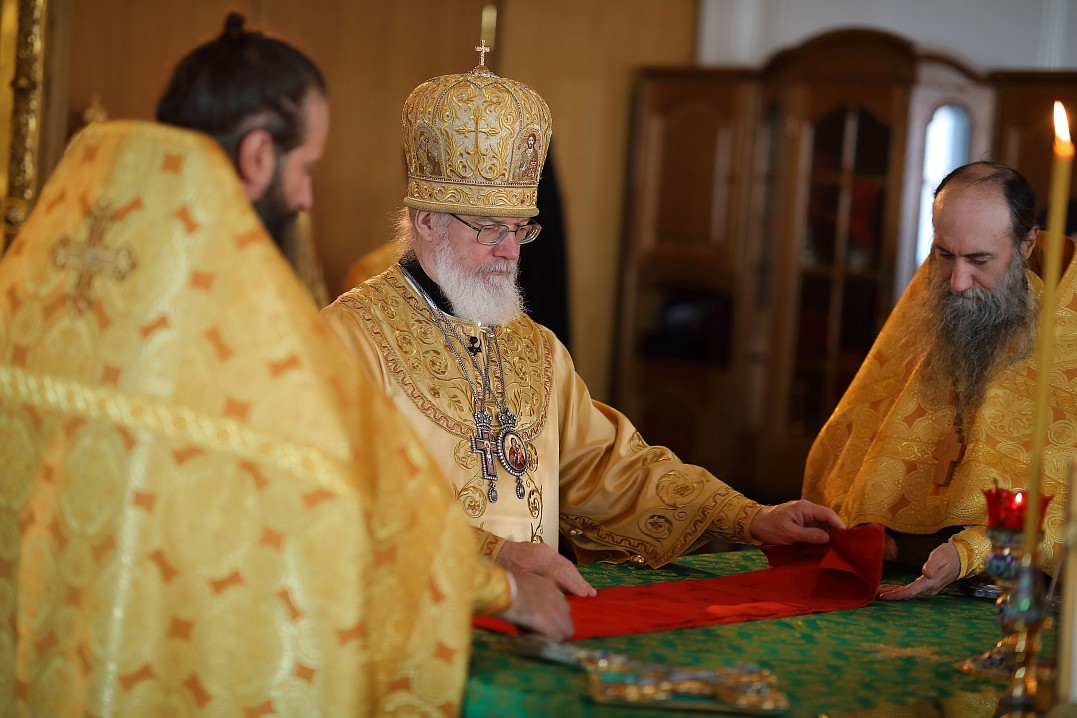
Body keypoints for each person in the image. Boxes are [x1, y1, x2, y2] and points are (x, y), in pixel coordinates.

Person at [0, 17, 570, 718]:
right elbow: (367, 507)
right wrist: (503, 590)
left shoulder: (43, 271)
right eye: (306, 170)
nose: (305, 199)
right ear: (258, 156)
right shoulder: (249, 320)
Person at [322, 48, 845, 597]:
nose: (510, 252)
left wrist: (749, 517)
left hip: (534, 615)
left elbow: (607, 470)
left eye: (521, 229)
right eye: (489, 228)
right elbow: (336, 500)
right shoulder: (348, 339)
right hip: (414, 615)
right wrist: (492, 555)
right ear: (427, 221)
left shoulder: (536, 347)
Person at [803, 161, 1073, 600]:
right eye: (944, 255)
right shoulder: (931, 314)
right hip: (901, 577)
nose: (958, 282)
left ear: (1026, 244)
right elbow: (855, 445)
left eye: (979, 260)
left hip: (1011, 596)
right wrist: (869, 525)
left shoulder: (1066, 345)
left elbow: (1062, 508)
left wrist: (970, 551)